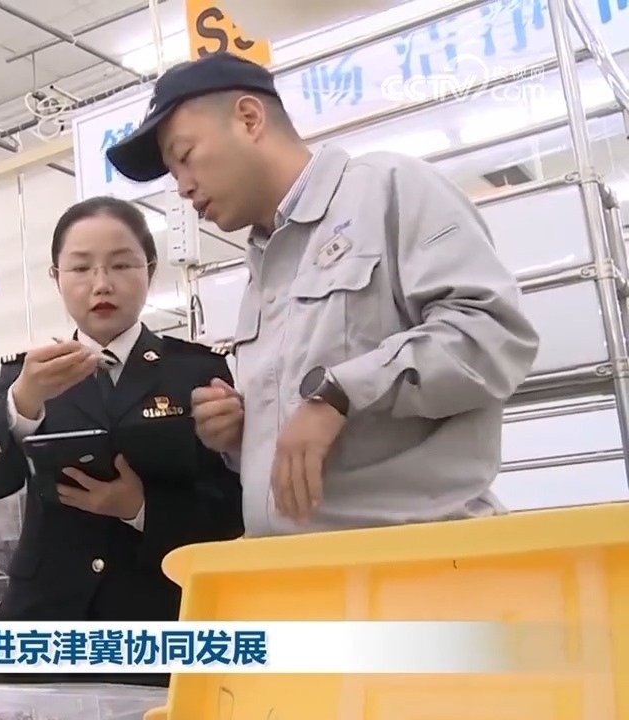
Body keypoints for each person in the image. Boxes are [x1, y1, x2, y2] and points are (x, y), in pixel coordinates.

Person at [105, 52, 540, 537]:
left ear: (249, 118)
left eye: (185, 156)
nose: (183, 188)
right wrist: (243, 433)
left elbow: (492, 338)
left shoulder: (389, 190)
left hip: (414, 557)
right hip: (297, 567)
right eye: (173, 174)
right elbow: (319, 441)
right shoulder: (262, 266)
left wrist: (340, 392)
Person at [0, 197, 243, 642]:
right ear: (56, 277)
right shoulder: (27, 376)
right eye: (80, 268)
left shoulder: (196, 372)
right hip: (47, 623)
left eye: (122, 265)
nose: (102, 284)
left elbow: (231, 513)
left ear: (150, 271)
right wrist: (23, 402)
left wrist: (141, 509)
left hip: (161, 617)